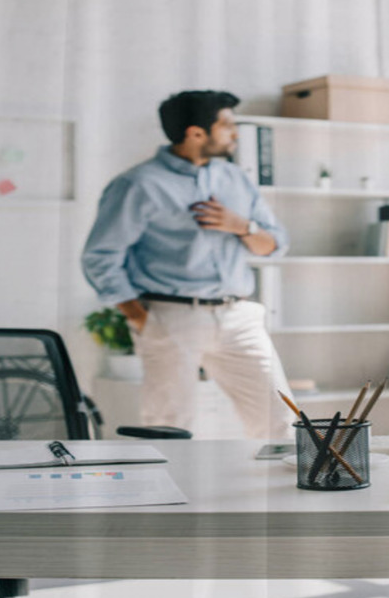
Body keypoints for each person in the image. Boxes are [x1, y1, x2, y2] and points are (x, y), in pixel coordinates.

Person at [81, 90, 295, 439]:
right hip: (172, 318)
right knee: (169, 427)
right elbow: (100, 257)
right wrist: (140, 318)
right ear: (197, 133)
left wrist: (240, 225)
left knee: (280, 421)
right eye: (227, 125)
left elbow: (275, 245)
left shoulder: (235, 179)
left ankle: (283, 495)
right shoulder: (138, 185)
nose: (235, 134)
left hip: (239, 317)